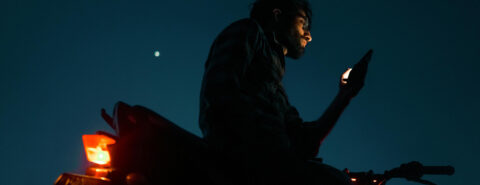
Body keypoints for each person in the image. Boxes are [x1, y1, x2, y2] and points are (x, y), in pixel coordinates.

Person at [199, 0, 372, 184]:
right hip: (244, 164)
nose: (309, 35)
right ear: (277, 15)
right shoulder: (248, 31)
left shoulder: (275, 89)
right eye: (303, 23)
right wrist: (270, 150)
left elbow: (305, 142)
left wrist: (345, 95)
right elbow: (219, 93)